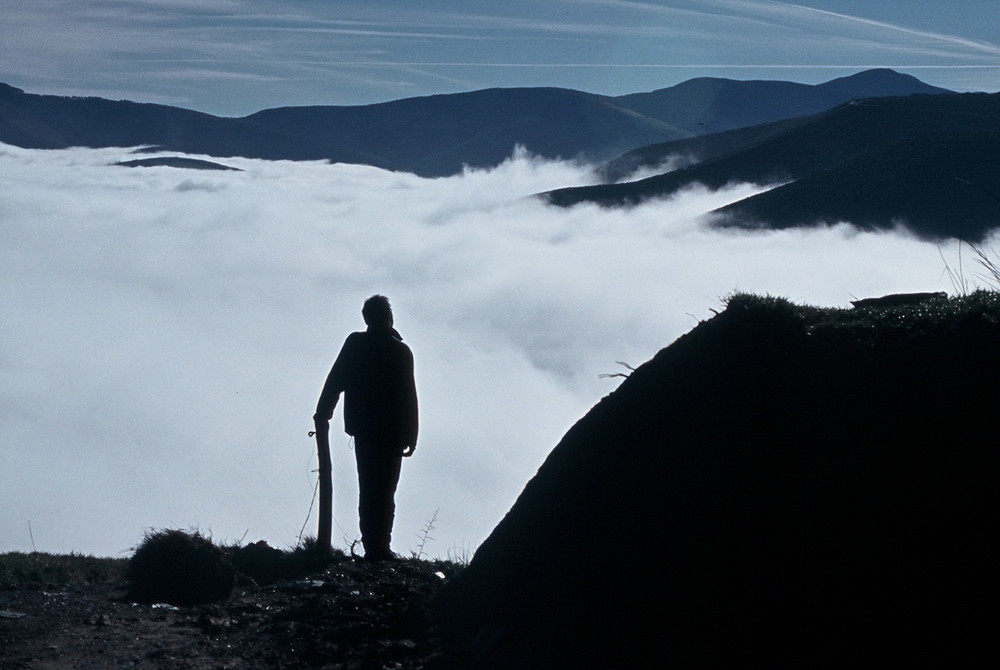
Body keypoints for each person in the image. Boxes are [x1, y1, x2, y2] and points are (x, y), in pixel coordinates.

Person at [314, 295, 418, 561]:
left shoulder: (359, 344)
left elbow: (336, 379)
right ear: (389, 317)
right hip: (391, 433)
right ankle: (378, 547)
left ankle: (375, 546)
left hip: (369, 431)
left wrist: (324, 411)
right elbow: (409, 397)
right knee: (384, 491)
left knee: (371, 488)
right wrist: (411, 434)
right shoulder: (398, 351)